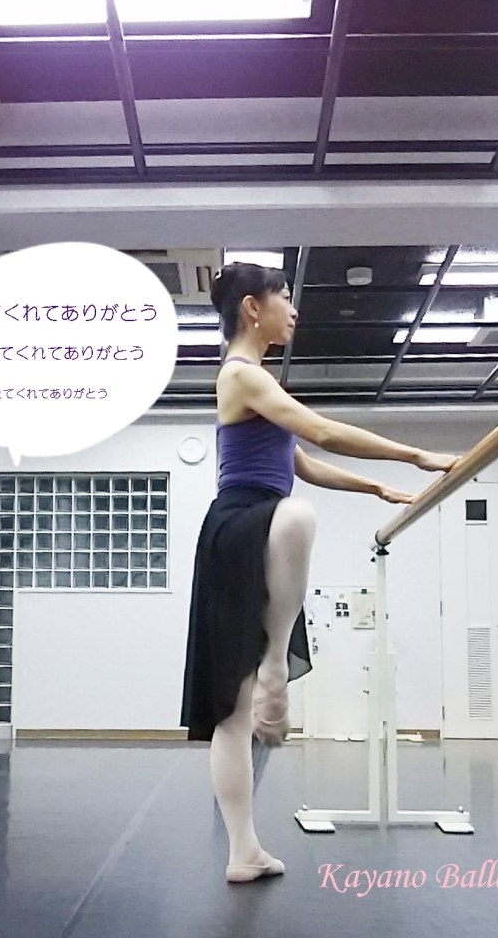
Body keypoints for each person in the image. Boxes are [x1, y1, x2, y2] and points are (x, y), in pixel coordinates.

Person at [180, 262, 459, 883]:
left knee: (238, 710)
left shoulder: (257, 384)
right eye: (285, 297)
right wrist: (415, 454)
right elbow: (323, 430)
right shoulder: (241, 373)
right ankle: (275, 665)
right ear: (252, 308)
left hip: (256, 523)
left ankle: (244, 852)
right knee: (297, 520)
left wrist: (375, 487)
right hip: (239, 526)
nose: (295, 309)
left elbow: (302, 460)